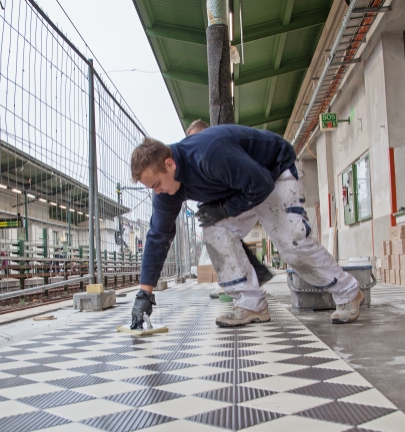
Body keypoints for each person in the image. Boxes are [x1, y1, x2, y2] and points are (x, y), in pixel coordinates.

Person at [129, 125, 363, 328]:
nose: (157, 191)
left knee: (292, 244)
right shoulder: (166, 191)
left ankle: (348, 292)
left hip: (274, 173)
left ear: (169, 164)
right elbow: (158, 236)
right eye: (152, 188)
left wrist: (225, 209)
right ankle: (251, 304)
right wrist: (144, 293)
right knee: (214, 230)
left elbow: (261, 184)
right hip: (243, 187)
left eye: (157, 184)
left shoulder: (209, 153)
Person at [185, 119, 274, 296]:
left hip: (258, 188)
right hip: (248, 191)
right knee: (222, 228)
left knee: (221, 226)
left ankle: (246, 281)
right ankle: (248, 277)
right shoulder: (204, 159)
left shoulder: (218, 152)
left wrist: (223, 209)